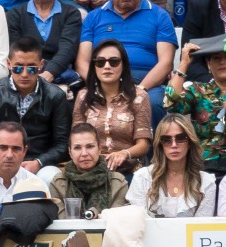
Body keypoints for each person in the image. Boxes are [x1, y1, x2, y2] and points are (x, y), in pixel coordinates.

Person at [0, 36, 70, 180]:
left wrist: (39, 162)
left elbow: (63, 144)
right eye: (18, 68)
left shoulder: (55, 96)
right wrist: (4, 162)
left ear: (41, 65)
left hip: (40, 164)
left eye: (31, 68)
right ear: (8, 64)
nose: (24, 74)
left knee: (51, 177)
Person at [165, 33, 226, 175]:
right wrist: (184, 63)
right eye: (216, 58)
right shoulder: (198, 90)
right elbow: (170, 103)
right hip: (204, 167)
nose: (222, 62)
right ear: (208, 64)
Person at [76, 0, 177, 128]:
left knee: (152, 102)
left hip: (147, 83)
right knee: (82, 99)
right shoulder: (94, 17)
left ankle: (148, 148)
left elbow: (166, 62)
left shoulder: (159, 15)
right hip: (104, 81)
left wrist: (140, 90)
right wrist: (99, 84)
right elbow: (82, 62)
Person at [73, 38, 151, 174]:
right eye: (100, 62)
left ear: (124, 65)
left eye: (114, 61)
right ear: (94, 67)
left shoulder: (139, 96)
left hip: (128, 169)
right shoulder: (83, 96)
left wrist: (124, 153)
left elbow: (143, 145)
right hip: (91, 170)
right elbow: (75, 139)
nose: (107, 66)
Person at [126, 112, 217, 216]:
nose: (174, 145)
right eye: (166, 140)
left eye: (181, 138)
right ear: (160, 145)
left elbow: (201, 228)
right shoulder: (143, 177)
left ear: (190, 143)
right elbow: (139, 223)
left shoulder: (206, 183)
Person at [49, 123, 129, 217]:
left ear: (99, 149)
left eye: (90, 146)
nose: (84, 153)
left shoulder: (118, 183)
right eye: (77, 148)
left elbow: (115, 222)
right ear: (70, 153)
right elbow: (62, 224)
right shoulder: (57, 184)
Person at [4, 0, 82, 88]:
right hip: (24, 75)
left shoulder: (70, 13)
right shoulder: (15, 14)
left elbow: (67, 49)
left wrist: (49, 74)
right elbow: (18, 52)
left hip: (60, 75)